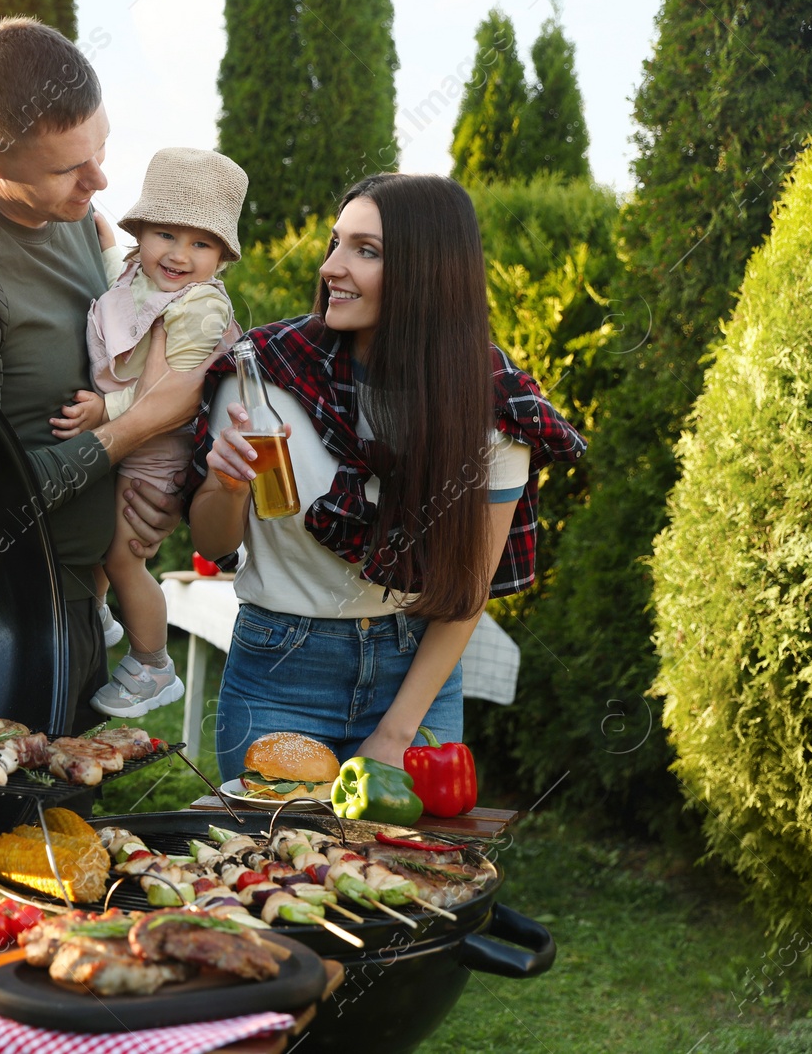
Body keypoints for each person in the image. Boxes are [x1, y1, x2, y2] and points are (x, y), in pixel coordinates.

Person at [187, 174, 587, 781]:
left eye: (365, 251)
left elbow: (468, 587)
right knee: (276, 871)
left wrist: (397, 732)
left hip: (418, 675)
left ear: (429, 272)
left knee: (404, 873)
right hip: (280, 671)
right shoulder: (262, 375)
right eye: (335, 243)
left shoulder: (493, 404)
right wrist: (226, 485)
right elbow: (214, 544)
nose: (331, 267)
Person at [0, 17, 211, 733]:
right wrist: (133, 430)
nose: (100, 181)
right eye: (68, 168)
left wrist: (149, 487)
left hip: (84, 604)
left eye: (101, 148)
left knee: (77, 836)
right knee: (7, 840)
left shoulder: (71, 211)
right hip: (3, 626)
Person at [50, 147, 247, 719]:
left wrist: (104, 409)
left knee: (124, 553)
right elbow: (119, 293)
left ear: (221, 258)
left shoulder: (201, 308)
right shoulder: (140, 273)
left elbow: (175, 392)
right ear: (143, 233)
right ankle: (109, 616)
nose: (180, 255)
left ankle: (153, 664)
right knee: (100, 535)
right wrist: (105, 239)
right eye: (165, 234)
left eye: (201, 244)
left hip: (157, 454)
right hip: (128, 446)